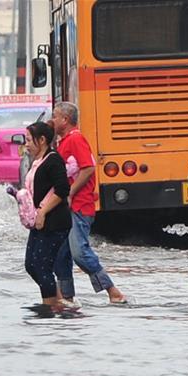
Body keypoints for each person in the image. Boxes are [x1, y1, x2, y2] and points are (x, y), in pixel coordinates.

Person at [51, 102, 127, 305]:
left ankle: (113, 291)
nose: (52, 120)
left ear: (65, 120)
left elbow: (88, 168)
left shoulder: (75, 139)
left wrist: (70, 193)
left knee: (79, 252)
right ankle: (66, 297)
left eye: (55, 116)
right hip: (66, 207)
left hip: (79, 205)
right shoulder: (63, 141)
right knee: (62, 254)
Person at [20, 121, 71, 307]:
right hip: (38, 222)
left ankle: (50, 307)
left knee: (42, 266)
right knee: (31, 265)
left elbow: (62, 189)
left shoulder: (53, 160)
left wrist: (43, 212)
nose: (26, 144)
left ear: (41, 140)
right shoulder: (37, 161)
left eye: (29, 140)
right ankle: (59, 300)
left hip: (54, 222)